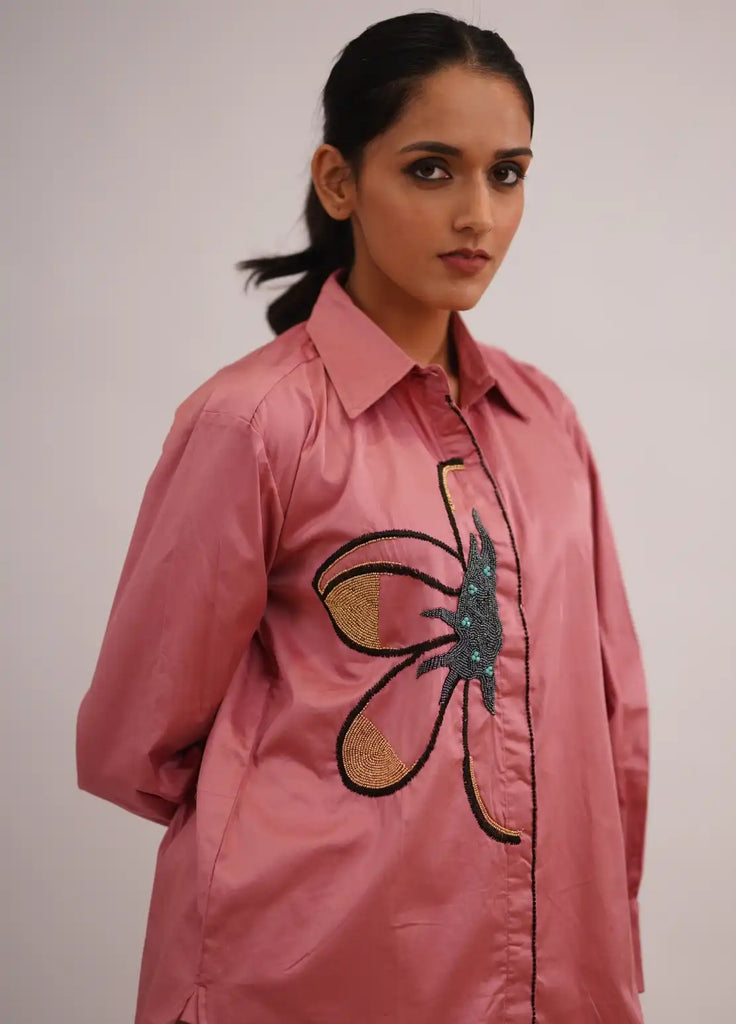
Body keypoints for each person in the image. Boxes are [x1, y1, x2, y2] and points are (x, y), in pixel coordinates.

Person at [75, 11, 650, 1024]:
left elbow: (612, 725)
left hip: (547, 973)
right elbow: (134, 739)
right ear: (340, 182)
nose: (477, 212)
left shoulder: (543, 418)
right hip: (313, 974)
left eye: (506, 173)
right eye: (432, 170)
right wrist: (353, 829)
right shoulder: (254, 423)